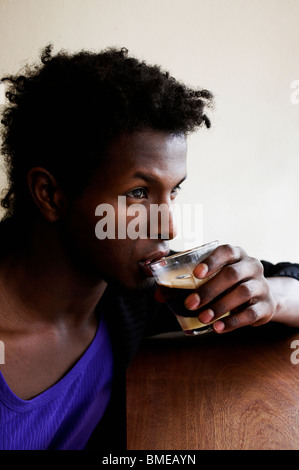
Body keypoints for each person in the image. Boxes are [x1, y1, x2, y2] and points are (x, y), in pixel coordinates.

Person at [0, 45, 298, 450]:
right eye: (139, 193)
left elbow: (289, 281)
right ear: (51, 194)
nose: (170, 224)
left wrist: (268, 296)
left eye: (174, 191)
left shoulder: (136, 296)